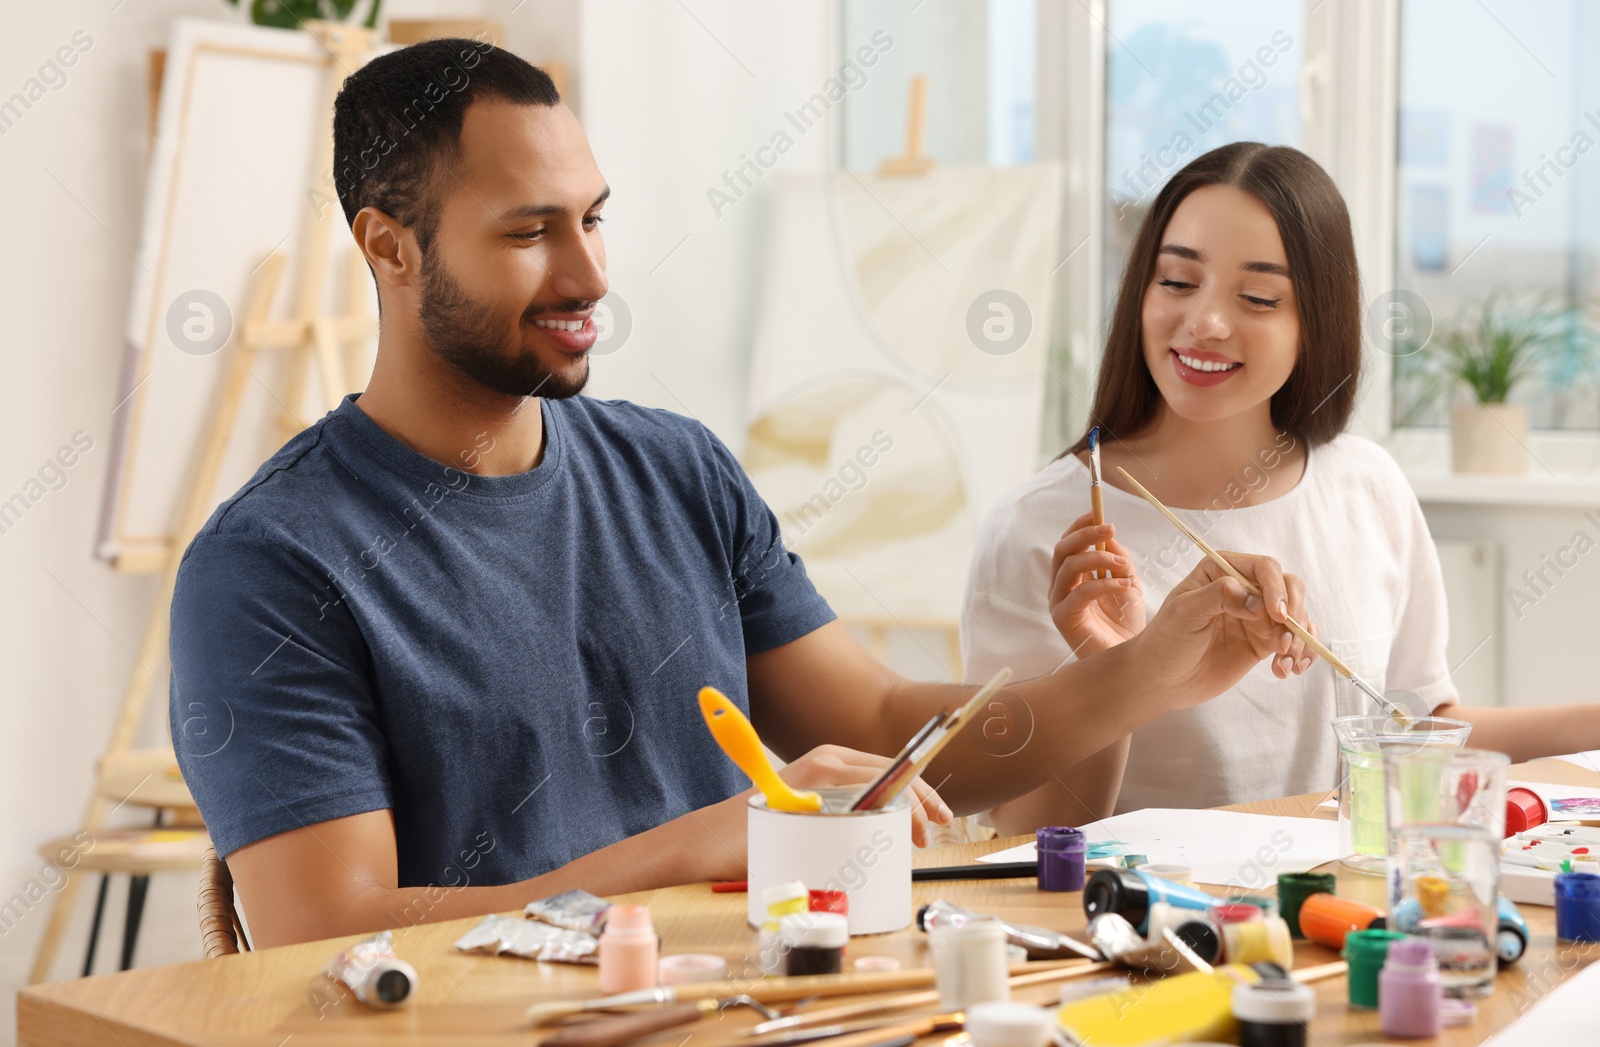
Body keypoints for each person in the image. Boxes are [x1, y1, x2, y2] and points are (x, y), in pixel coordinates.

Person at [167, 46, 1317, 948]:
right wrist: (699, 847)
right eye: (529, 232)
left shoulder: (676, 470)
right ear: (390, 248)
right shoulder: (273, 565)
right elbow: (320, 934)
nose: (588, 275)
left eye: (593, 217)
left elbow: (877, 732)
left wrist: (1147, 668)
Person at [962, 141, 1600, 835]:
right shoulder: (1042, 528)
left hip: (1331, 918)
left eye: (1258, 297)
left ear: (1315, 322)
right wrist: (1117, 673)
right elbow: (1022, 838)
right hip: (1147, 931)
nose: (1204, 321)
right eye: (1177, 282)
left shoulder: (1368, 486)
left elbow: (1418, 726)